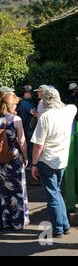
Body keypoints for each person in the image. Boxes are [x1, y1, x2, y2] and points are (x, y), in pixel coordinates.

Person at [31, 87, 77, 237]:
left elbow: (38, 145)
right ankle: (65, 225)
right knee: (56, 192)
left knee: (52, 195)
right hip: (62, 160)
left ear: (44, 101)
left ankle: (58, 229)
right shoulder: (69, 111)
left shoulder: (45, 117)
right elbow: (72, 106)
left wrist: (34, 165)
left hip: (47, 160)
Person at [0, 92, 30, 230]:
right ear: (10, 104)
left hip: (1, 159)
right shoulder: (16, 119)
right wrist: (26, 157)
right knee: (16, 190)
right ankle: (17, 222)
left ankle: (4, 221)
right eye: (15, 104)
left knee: (3, 190)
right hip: (14, 159)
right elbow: (22, 141)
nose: (16, 106)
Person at [17, 85, 36, 166]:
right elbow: (34, 113)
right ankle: (29, 165)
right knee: (30, 148)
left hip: (26, 128)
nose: (32, 95)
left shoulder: (24, 102)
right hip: (28, 129)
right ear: (27, 93)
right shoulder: (25, 103)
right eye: (31, 93)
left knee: (29, 147)